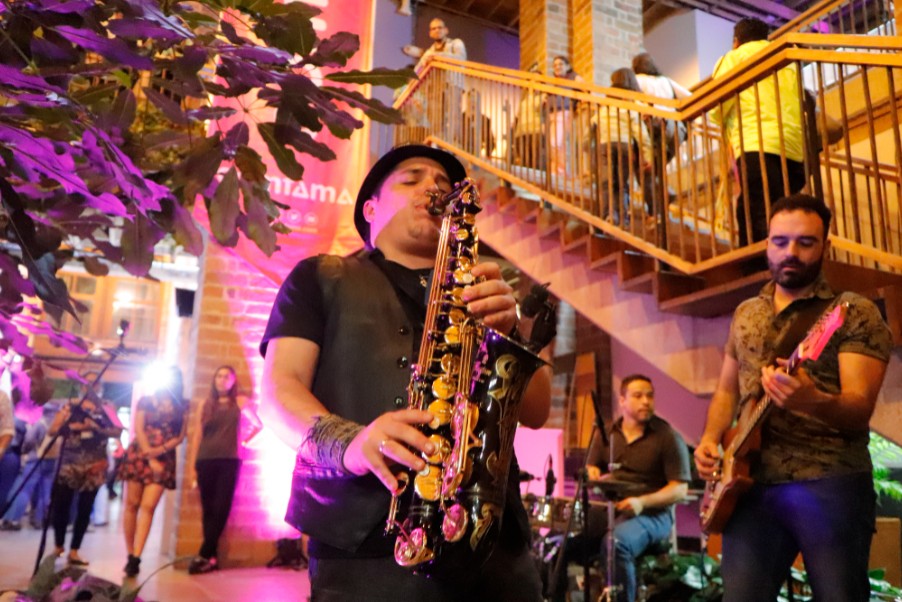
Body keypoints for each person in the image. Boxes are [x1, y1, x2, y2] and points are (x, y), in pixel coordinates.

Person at [260, 144, 553, 601]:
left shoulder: (481, 292)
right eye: (412, 178)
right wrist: (350, 443)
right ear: (370, 208)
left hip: (491, 546)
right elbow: (279, 391)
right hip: (366, 550)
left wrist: (510, 329)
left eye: (442, 182)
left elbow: (536, 410)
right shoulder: (319, 277)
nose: (432, 187)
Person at [693, 194, 892, 602]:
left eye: (806, 242)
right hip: (748, 487)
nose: (791, 253)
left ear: (825, 246)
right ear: (766, 243)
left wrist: (811, 400)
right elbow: (727, 389)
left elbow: (860, 408)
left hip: (828, 482)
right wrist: (711, 439)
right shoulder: (746, 313)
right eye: (780, 241)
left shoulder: (852, 312)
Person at [575, 375, 690, 602]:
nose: (646, 401)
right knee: (560, 545)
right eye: (638, 396)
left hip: (653, 514)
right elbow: (591, 467)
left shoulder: (668, 437)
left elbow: (680, 489)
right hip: (612, 508)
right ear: (622, 401)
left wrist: (642, 502)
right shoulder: (606, 434)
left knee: (616, 543)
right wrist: (592, 472)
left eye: (650, 396)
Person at [710, 18, 806, 246]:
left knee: (755, 213)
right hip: (794, 150)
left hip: (757, 143)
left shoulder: (734, 58)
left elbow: (716, 106)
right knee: (783, 211)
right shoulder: (786, 58)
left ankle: (758, 262)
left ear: (736, 41)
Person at [188, 365, 263, 575]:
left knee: (221, 508)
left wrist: (244, 441)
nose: (222, 380)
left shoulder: (240, 402)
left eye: (226, 377)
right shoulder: (206, 404)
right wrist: (193, 466)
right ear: (214, 380)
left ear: (233, 381)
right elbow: (197, 436)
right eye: (219, 376)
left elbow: (258, 425)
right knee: (208, 510)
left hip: (229, 461)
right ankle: (211, 558)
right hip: (205, 459)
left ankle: (204, 554)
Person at [119, 367, 187, 577]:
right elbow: (138, 428)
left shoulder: (182, 405)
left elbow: (180, 436)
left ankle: (137, 557)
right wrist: (149, 454)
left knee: (148, 506)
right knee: (132, 504)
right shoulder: (147, 401)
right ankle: (130, 552)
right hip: (140, 453)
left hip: (164, 457)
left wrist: (160, 451)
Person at [49, 374, 123, 566]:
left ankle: (75, 550)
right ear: (81, 385)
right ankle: (58, 546)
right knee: (61, 506)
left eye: (96, 382)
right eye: (87, 383)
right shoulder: (70, 405)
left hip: (94, 465)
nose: (91, 386)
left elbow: (118, 430)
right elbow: (53, 430)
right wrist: (75, 426)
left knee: (85, 508)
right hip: (69, 463)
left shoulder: (107, 407)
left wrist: (96, 428)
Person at [594, 68, 654, 229]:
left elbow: (594, 123)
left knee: (607, 181)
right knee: (621, 183)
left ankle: (608, 214)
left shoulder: (604, 107)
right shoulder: (630, 106)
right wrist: (647, 155)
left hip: (605, 144)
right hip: (624, 145)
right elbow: (641, 134)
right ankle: (623, 218)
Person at [1, 402, 60, 530]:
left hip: (36, 459)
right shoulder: (58, 425)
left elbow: (29, 441)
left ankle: (13, 519)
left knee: (25, 491)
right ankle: (39, 519)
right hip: (52, 460)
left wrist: (24, 451)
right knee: (45, 491)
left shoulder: (40, 424)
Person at [548, 56, 585, 180]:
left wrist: (583, 98)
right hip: (552, 114)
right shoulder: (554, 82)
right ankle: (556, 170)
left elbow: (585, 88)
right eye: (555, 65)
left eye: (560, 64)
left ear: (568, 66)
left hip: (565, 112)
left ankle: (561, 171)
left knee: (557, 142)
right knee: (555, 144)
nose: (557, 67)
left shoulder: (573, 77)